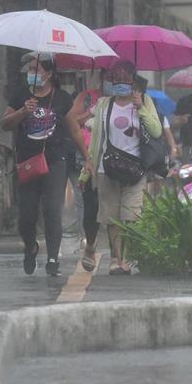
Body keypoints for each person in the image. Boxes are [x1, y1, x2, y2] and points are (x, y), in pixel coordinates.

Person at [3, 53, 87, 277]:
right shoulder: (21, 94)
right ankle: (30, 246)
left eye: (36, 69)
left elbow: (75, 129)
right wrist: (23, 111)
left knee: (52, 209)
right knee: (27, 214)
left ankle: (52, 258)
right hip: (27, 161)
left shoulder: (62, 98)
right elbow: (5, 123)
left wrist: (87, 157)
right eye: (30, 69)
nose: (32, 73)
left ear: (49, 74)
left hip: (55, 160)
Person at [83, 61, 162, 276]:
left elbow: (156, 131)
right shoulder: (103, 105)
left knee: (130, 216)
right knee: (111, 218)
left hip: (136, 170)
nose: (120, 84)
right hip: (106, 168)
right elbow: (97, 138)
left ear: (133, 81)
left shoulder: (145, 101)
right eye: (115, 80)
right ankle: (116, 259)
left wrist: (141, 109)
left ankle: (125, 258)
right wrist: (88, 165)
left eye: (124, 80)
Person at [67, 71, 104, 272]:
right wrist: (91, 112)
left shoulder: (123, 99)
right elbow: (72, 120)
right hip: (86, 155)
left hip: (112, 158)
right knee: (86, 200)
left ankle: (118, 254)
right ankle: (87, 238)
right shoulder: (87, 97)